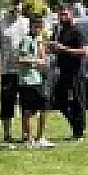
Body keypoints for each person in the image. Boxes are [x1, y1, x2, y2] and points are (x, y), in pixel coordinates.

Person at [0, 0, 29, 145]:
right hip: (7, 70)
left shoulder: (26, 23)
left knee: (26, 103)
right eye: (15, 5)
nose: (17, 8)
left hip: (25, 72)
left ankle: (26, 134)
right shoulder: (1, 24)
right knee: (7, 103)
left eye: (20, 6)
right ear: (10, 6)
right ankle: (7, 134)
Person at [48, 4, 88, 141]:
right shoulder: (59, 31)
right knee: (59, 100)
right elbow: (56, 49)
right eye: (60, 15)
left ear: (71, 14)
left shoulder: (77, 31)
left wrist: (64, 49)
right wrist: (52, 48)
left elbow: (84, 51)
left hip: (76, 71)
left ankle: (80, 131)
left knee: (78, 100)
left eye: (65, 14)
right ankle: (76, 127)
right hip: (63, 70)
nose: (62, 17)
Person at [16, 15, 54, 148]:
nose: (39, 29)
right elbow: (20, 59)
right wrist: (36, 61)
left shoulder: (39, 40)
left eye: (40, 27)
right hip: (28, 80)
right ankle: (28, 138)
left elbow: (43, 57)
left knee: (44, 108)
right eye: (36, 27)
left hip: (39, 79)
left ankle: (40, 137)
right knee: (28, 111)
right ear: (31, 26)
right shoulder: (26, 40)